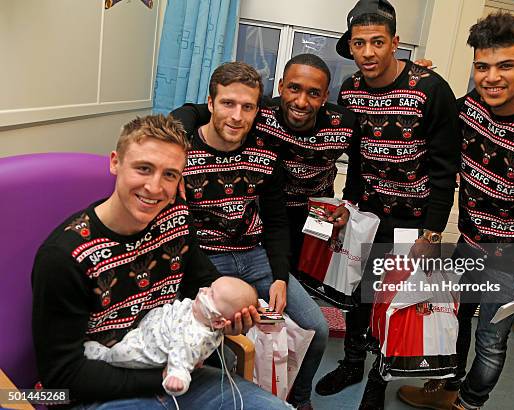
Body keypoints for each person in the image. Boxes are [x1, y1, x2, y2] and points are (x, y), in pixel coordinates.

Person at [31, 114, 289, 409]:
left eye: (170, 174)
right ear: (115, 162)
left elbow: (203, 284)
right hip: (102, 386)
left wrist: (226, 317)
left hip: (175, 365)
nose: (155, 188)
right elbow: (61, 375)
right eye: (144, 168)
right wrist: (164, 377)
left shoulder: (175, 217)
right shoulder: (66, 257)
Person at [397, 12, 514, 410]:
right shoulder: (469, 110)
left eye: (505, 66)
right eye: (482, 66)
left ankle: (469, 405)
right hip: (470, 246)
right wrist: (419, 77)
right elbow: (429, 114)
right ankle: (448, 388)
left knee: (490, 341)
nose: (491, 77)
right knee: (455, 323)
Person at [314, 1, 460, 409]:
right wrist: (349, 207)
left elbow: (446, 168)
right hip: (369, 214)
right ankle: (353, 362)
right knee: (357, 293)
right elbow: (356, 158)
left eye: (378, 41)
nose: (369, 52)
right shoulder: (351, 90)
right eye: (360, 43)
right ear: (351, 48)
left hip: (413, 220)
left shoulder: (430, 89)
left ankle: (380, 378)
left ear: (395, 42)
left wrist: (432, 232)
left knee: (394, 300)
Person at [173, 61, 330, 410]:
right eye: (228, 103)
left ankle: (299, 400)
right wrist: (216, 285)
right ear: (210, 104)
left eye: (248, 107)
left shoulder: (264, 151)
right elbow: (179, 230)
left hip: (254, 255)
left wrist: (278, 277)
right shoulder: (183, 152)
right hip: (205, 259)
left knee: (317, 329)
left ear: (258, 110)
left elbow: (275, 221)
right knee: (215, 345)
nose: (237, 116)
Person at [171, 53, 360, 276]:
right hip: (271, 208)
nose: (301, 101)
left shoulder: (344, 124)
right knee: (278, 270)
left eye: (314, 93)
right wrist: (174, 141)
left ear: (325, 96)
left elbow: (358, 170)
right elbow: (197, 111)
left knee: (308, 275)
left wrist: (348, 205)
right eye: (294, 88)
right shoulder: (261, 111)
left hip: (315, 211)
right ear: (281, 86)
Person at [83, 276, 258, 396]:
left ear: (219, 323)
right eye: (210, 287)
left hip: (144, 350)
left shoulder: (194, 335)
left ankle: (102, 354)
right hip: (148, 330)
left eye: (211, 294)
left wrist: (177, 376)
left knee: (119, 354)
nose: (204, 290)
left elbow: (181, 354)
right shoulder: (202, 312)